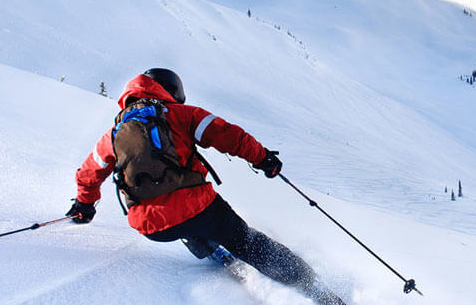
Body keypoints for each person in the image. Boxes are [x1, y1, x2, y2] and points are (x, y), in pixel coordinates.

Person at [67, 68, 317, 289]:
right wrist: (262, 158)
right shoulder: (181, 114)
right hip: (200, 210)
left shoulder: (114, 133)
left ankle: (208, 249)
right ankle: (308, 282)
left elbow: (89, 174)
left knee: (182, 224)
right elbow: (228, 135)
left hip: (151, 227)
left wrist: (84, 207)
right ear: (172, 90)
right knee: (245, 241)